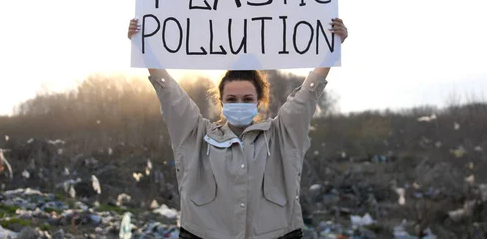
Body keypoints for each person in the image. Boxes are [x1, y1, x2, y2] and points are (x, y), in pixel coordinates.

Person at [128, 17, 348, 239]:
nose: (239, 103)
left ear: (258, 101)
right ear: (222, 102)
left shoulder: (281, 135)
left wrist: (332, 47)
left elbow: (307, 96)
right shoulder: (197, 136)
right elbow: (170, 95)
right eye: (232, 99)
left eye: (247, 98)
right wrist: (143, 46)